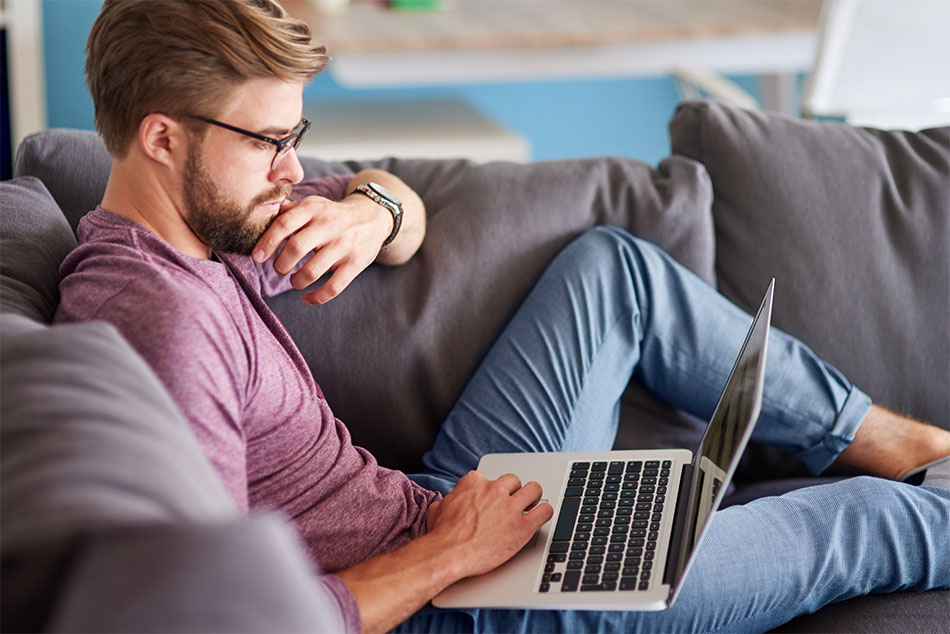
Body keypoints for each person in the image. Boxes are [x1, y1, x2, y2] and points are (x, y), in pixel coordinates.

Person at [55, 1, 950, 632]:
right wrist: (449, 557)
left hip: (443, 515)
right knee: (861, 524)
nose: (294, 170)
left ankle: (904, 442)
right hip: (449, 603)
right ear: (162, 137)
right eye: (269, 144)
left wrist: (374, 213)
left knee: (616, 270)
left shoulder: (214, 224)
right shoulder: (162, 324)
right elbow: (225, 616)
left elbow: (395, 206)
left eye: (297, 138)